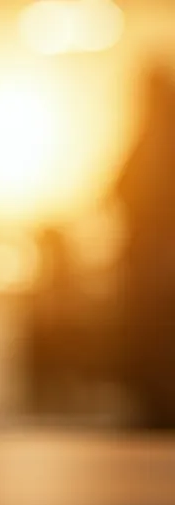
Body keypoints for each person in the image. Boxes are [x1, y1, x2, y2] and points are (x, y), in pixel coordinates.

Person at [116, 64, 175, 428]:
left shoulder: (159, 138)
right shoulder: (149, 137)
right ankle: (155, 404)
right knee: (149, 334)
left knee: (157, 334)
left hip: (157, 256)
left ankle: (160, 405)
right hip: (147, 257)